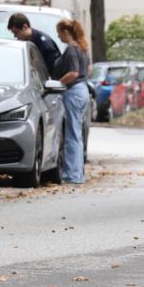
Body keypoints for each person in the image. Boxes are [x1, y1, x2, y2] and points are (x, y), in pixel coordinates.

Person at [53, 18, 91, 184]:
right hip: (83, 90)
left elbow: (74, 73)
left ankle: (73, 175)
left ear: (65, 32)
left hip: (74, 92)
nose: (58, 35)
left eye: (59, 32)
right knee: (77, 134)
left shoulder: (71, 49)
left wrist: (58, 83)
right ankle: (77, 173)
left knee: (72, 135)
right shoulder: (82, 48)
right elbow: (87, 69)